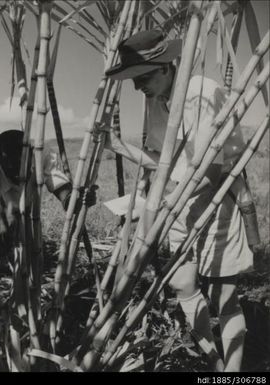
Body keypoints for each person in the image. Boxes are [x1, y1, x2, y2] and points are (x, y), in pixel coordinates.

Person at [104, 29, 253, 372]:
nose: (137, 87)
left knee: (223, 297)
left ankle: (233, 374)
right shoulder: (156, 101)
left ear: (166, 67)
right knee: (183, 283)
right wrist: (118, 146)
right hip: (178, 201)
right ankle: (215, 362)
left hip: (215, 202)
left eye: (141, 77)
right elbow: (168, 162)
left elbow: (210, 172)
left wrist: (165, 205)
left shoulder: (201, 92)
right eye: (132, 80)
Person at [0, 129, 96, 265]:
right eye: (13, 166)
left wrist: (79, 200)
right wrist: (13, 220)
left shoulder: (42, 156)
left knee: (30, 256)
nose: (20, 174)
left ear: (31, 153)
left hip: (18, 215)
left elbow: (65, 194)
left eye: (23, 165)